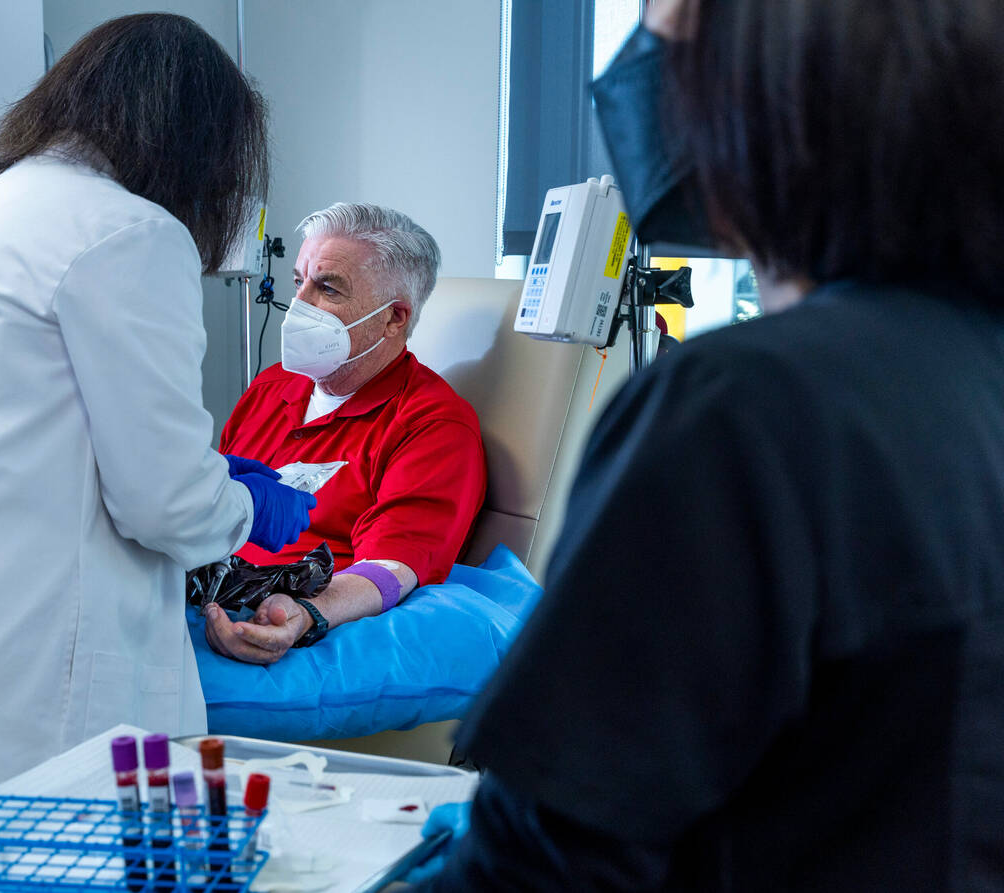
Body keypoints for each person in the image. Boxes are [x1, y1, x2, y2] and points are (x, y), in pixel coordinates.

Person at [412, 0, 1004, 889]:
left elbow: (542, 864)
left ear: (772, 87)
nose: (641, 67)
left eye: (669, 25)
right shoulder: (960, 378)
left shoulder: (747, 410)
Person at [0, 14, 315, 885]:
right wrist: (244, 503)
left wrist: (208, 483)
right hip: (29, 672)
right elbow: (166, 500)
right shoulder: (128, 234)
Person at [205, 203, 487, 664]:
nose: (298, 306)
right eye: (299, 282)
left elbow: (391, 568)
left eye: (328, 288)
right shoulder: (271, 386)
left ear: (395, 317)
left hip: (294, 623)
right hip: (207, 594)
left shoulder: (432, 425)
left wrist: (304, 614)